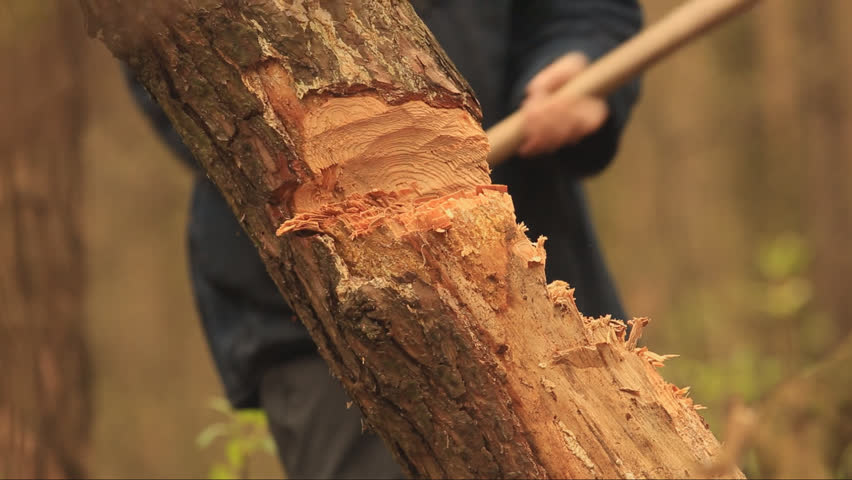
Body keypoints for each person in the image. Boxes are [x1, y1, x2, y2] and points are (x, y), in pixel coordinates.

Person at [127, 0, 642, 477]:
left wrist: (578, 58)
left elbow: (587, 9)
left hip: (532, 268)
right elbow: (167, 49)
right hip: (324, 320)